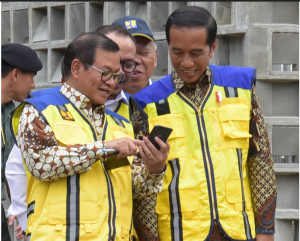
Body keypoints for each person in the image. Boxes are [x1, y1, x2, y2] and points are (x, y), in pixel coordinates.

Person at [130, 6, 277, 241]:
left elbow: (261, 161)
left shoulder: (240, 86)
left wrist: (266, 231)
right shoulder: (146, 102)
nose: (186, 62)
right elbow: (143, 182)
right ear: (167, 47)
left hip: (239, 230)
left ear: (213, 48)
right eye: (177, 52)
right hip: (179, 234)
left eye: (196, 53)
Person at [9, 32, 170, 240]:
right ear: (76, 68)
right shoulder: (40, 109)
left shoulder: (119, 122)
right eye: (105, 73)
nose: (112, 83)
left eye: (116, 76)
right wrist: (103, 148)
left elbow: (128, 185)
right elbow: (42, 163)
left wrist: (154, 169)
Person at [1, 43, 42, 241]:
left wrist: (21, 211)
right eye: (32, 77)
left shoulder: (14, 114)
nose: (33, 85)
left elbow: (10, 167)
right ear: (15, 75)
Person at [95, 24, 138, 119]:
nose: (120, 71)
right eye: (112, 63)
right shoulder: (59, 105)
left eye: (128, 64)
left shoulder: (138, 108)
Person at [112, 16, 158, 98]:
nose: (135, 61)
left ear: (155, 57)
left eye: (143, 53)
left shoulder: (170, 97)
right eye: (126, 54)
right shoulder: (96, 102)